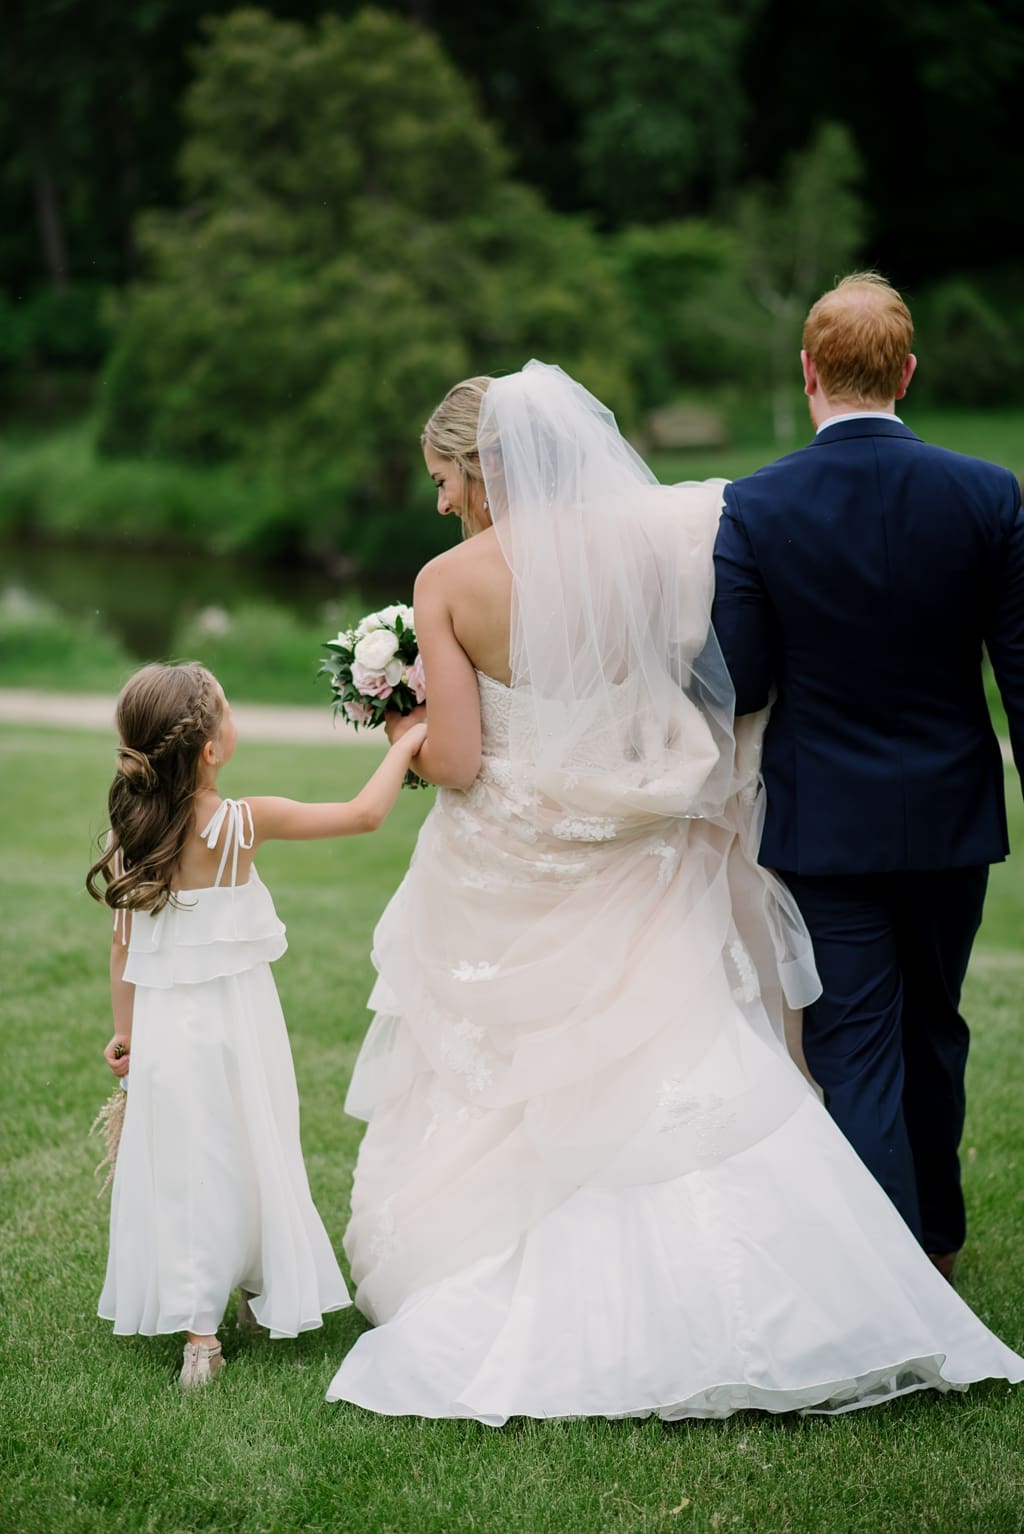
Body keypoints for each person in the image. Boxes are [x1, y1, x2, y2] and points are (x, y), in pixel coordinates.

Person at [324, 361, 1023, 1422]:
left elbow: (462, 762)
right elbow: (708, 671)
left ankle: (517, 1276)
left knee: (517, 1065)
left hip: (516, 852)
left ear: (482, 467)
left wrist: (402, 729)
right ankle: (818, 1280)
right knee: (686, 1043)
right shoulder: (645, 546)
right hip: (638, 839)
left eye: (443, 477)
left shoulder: (449, 581)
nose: (439, 500)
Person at [712, 273, 1024, 1282]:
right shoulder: (988, 494)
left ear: (807, 372)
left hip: (825, 819)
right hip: (950, 818)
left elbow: (744, 676)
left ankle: (877, 1280)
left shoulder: (756, 505)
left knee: (852, 1042)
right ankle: (928, 1243)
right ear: (907, 372)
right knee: (934, 1025)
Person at [87, 661, 426, 1388]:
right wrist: (405, 743)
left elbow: (122, 945)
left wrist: (128, 1033)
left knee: (190, 1162)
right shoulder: (242, 823)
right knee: (248, 1142)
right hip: (240, 1026)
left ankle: (209, 1317)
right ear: (210, 749)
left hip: (167, 1033)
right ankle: (209, 1330)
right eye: (229, 714)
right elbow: (363, 815)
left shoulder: (132, 832)